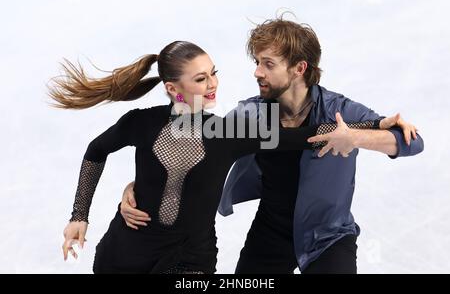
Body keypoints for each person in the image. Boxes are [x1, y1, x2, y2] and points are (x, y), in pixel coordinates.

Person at [120, 19, 424, 274]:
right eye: (257, 62)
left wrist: (354, 137)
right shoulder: (249, 114)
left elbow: (411, 142)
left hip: (328, 235)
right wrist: (142, 187)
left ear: (298, 68)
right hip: (270, 234)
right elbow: (197, 151)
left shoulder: (339, 111)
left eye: (268, 64)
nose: (257, 72)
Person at [51, 40, 383, 274]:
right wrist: (79, 215)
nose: (213, 84)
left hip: (190, 261)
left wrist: (376, 124)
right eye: (200, 79)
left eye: (213, 73)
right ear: (172, 88)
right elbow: (97, 150)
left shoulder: (229, 133)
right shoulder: (141, 123)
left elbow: (303, 136)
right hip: (128, 251)